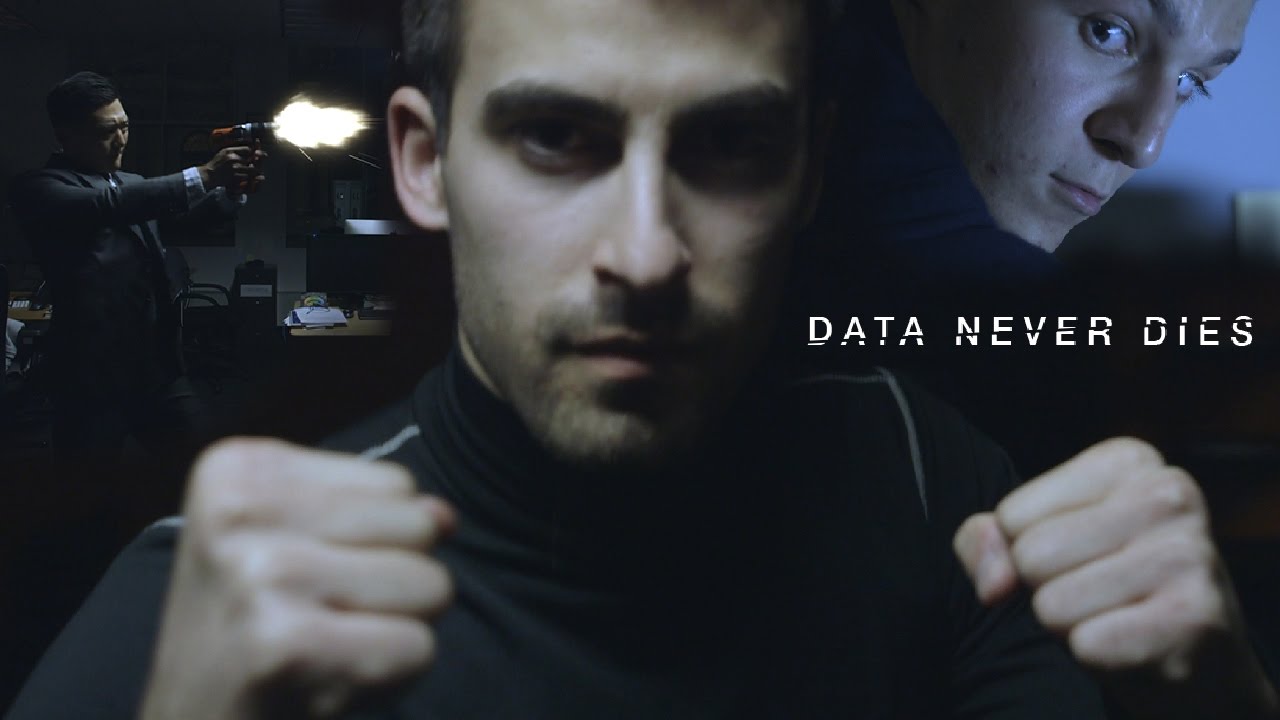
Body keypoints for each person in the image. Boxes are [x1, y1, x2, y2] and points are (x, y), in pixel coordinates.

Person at [5, 3, 1277, 719]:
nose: (645, 253)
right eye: (557, 139)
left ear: (809, 171)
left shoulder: (921, 472)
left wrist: (1213, 705)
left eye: (730, 148)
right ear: (423, 165)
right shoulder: (208, 610)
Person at [7, 71, 264, 460]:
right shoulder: (39, 188)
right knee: (86, 486)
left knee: (204, 466)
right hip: (90, 381)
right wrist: (205, 174)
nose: (121, 140)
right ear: (66, 135)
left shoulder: (130, 182)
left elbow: (182, 220)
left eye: (124, 126)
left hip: (158, 372)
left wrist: (231, 191)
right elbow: (105, 207)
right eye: (106, 131)